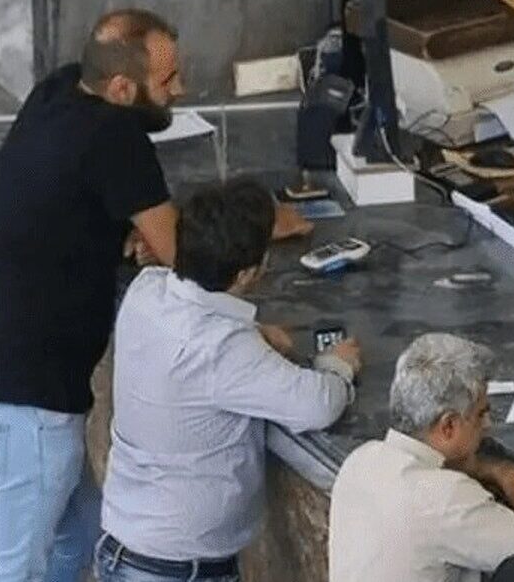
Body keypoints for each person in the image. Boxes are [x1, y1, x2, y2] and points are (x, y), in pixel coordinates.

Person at [0, 9, 184, 582]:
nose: (180, 90)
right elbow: (184, 253)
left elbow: (65, 197)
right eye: (167, 80)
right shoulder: (116, 135)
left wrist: (123, 234)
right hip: (23, 405)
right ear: (121, 89)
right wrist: (269, 221)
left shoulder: (59, 91)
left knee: (79, 538)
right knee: (14, 571)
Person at [95, 179, 361, 582]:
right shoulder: (224, 348)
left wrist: (254, 333)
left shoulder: (145, 292)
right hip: (178, 571)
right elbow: (317, 405)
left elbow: (198, 331)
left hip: (128, 551)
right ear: (249, 272)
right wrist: (338, 366)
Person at [329, 333, 514, 582]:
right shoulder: (447, 497)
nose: (487, 424)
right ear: (448, 426)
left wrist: (500, 472)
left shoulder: (360, 461)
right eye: (480, 414)